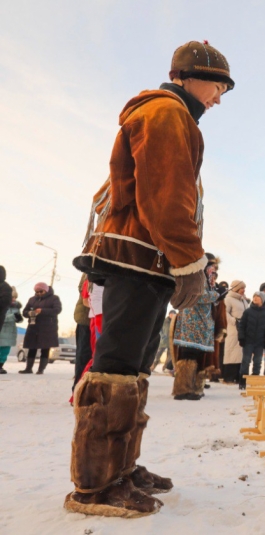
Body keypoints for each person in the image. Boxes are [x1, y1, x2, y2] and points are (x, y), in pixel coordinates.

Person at [66, 40, 233, 517]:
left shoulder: (174, 115)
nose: (219, 97)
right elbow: (166, 197)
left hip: (148, 260)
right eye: (217, 85)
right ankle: (94, 484)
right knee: (115, 369)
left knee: (135, 368)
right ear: (187, 76)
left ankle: (122, 467)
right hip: (138, 258)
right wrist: (190, 261)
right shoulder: (165, 112)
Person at [172, 254, 222, 400]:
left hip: (203, 324)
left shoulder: (208, 279)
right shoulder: (195, 276)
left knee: (199, 356)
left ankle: (195, 388)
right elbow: (196, 296)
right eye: (213, 266)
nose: (214, 270)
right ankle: (182, 389)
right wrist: (215, 296)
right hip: (191, 322)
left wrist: (217, 297)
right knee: (189, 355)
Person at [20, 283, 62, 375]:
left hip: (48, 328)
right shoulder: (32, 299)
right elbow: (24, 312)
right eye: (37, 291)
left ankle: (41, 369)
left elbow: (57, 310)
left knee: (45, 348)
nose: (38, 293)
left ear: (46, 290)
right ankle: (28, 368)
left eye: (41, 291)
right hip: (33, 326)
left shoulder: (54, 298)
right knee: (32, 347)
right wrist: (30, 313)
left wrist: (42, 311)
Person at [237, 291, 265, 389]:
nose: (255, 298)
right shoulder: (248, 311)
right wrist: (241, 338)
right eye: (254, 296)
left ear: (262, 299)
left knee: (257, 362)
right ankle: (242, 382)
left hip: (260, 342)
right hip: (248, 341)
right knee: (245, 361)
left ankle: (254, 382)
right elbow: (242, 325)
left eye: (258, 297)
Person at [222, 280, 248, 383]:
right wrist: (234, 321)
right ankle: (229, 376)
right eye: (242, 288)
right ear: (236, 289)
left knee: (241, 354)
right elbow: (224, 313)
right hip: (233, 330)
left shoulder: (244, 301)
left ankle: (238, 376)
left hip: (243, 331)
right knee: (231, 352)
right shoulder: (228, 299)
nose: (243, 290)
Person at [72, 276, 92, 388]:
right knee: (85, 356)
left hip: (91, 317)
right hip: (87, 319)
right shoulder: (92, 264)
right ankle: (79, 390)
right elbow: (85, 292)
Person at [0, 286, 22, 374]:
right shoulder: (2, 306)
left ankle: (0, 366)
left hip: (10, 332)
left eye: (15, 297)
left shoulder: (16, 307)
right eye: (12, 297)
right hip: (1, 330)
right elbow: (2, 318)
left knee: (5, 351)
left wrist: (19, 318)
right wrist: (13, 316)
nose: (14, 299)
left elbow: (17, 318)